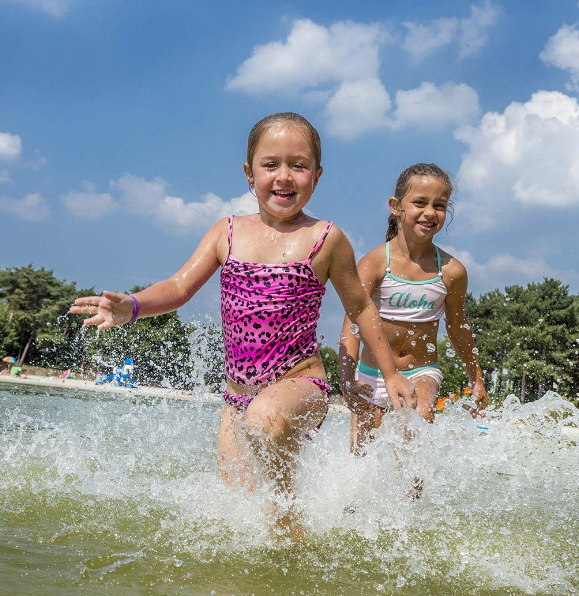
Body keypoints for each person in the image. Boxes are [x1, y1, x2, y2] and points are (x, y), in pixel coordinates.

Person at [70, 112, 414, 536]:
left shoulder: (326, 238)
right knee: (237, 522)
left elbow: (361, 308)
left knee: (265, 424)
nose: (284, 176)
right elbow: (179, 286)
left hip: (300, 386)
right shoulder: (227, 232)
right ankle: (295, 539)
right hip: (237, 400)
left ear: (317, 176)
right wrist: (134, 307)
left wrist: (391, 373)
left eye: (298, 165)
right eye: (271, 165)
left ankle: (292, 525)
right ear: (250, 173)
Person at [339, 163, 488, 453]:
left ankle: (414, 498)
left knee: (416, 429)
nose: (430, 212)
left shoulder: (451, 271)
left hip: (421, 371)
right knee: (361, 456)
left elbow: (458, 328)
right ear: (396, 207)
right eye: (420, 202)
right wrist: (347, 378)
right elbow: (353, 323)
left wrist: (477, 378)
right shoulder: (375, 263)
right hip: (371, 374)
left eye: (440, 205)